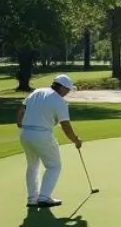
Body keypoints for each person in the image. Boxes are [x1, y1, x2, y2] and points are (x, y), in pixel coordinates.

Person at [16, 73, 81, 208]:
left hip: (25, 134)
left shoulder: (37, 91)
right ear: (62, 88)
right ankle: (44, 197)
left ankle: (32, 199)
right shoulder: (60, 101)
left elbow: (22, 108)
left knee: (32, 166)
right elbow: (65, 125)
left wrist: (19, 122)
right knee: (54, 166)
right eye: (68, 90)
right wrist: (75, 140)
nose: (68, 93)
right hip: (42, 135)